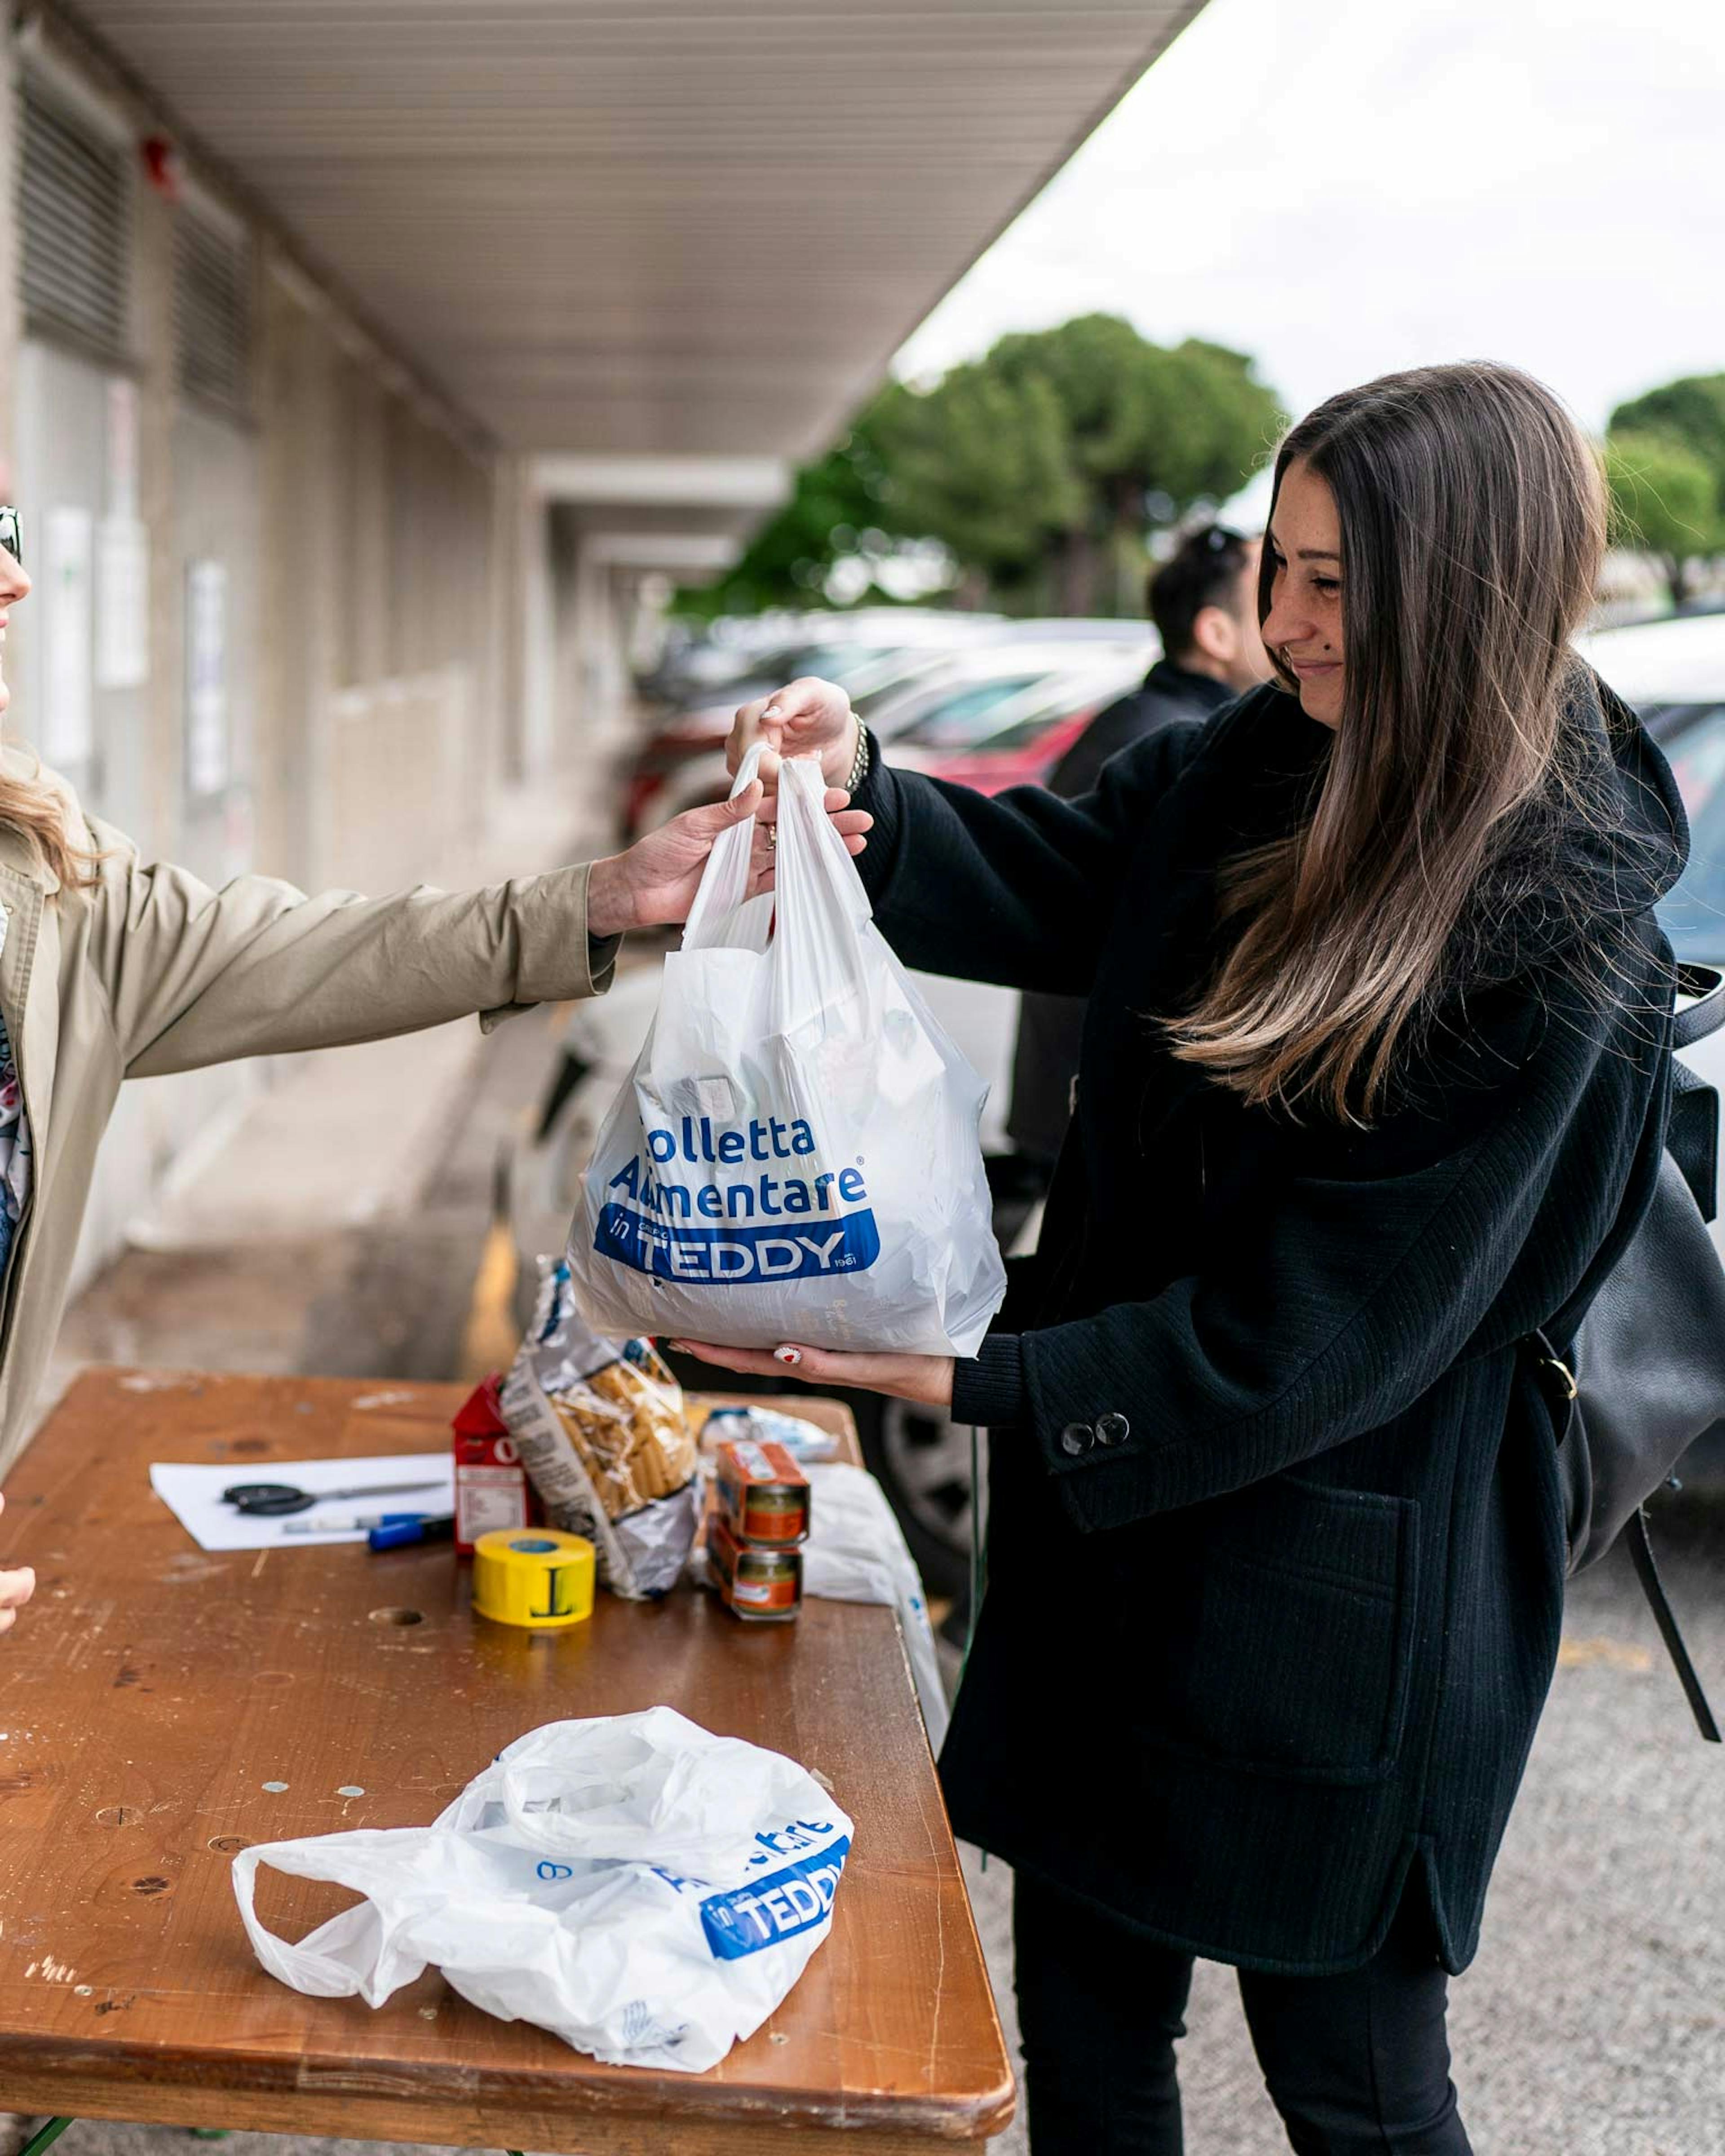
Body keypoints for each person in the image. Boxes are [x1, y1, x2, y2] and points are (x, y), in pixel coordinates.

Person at [681, 362, 1685, 2154]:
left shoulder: (1558, 936)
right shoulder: (1266, 748)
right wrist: (873, 812)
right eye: (1277, 566)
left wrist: (982, 1375)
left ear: (1465, 600)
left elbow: (1325, 1337)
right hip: (1120, 1542)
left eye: (1330, 585)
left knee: (1357, 2088)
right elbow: (1087, 879)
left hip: (1343, 1592)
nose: (1275, 621)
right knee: (1085, 2027)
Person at [0, 508, 871, 1630]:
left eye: (11, 526)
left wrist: (602, 900)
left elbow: (296, 952)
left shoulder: (36, 874)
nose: (17, 579)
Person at [1008, 522, 1274, 1175]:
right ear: (1217, 634)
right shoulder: (1187, 749)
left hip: (1077, 1094)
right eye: (1274, 589)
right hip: (1106, 1108)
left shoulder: (1136, 717)